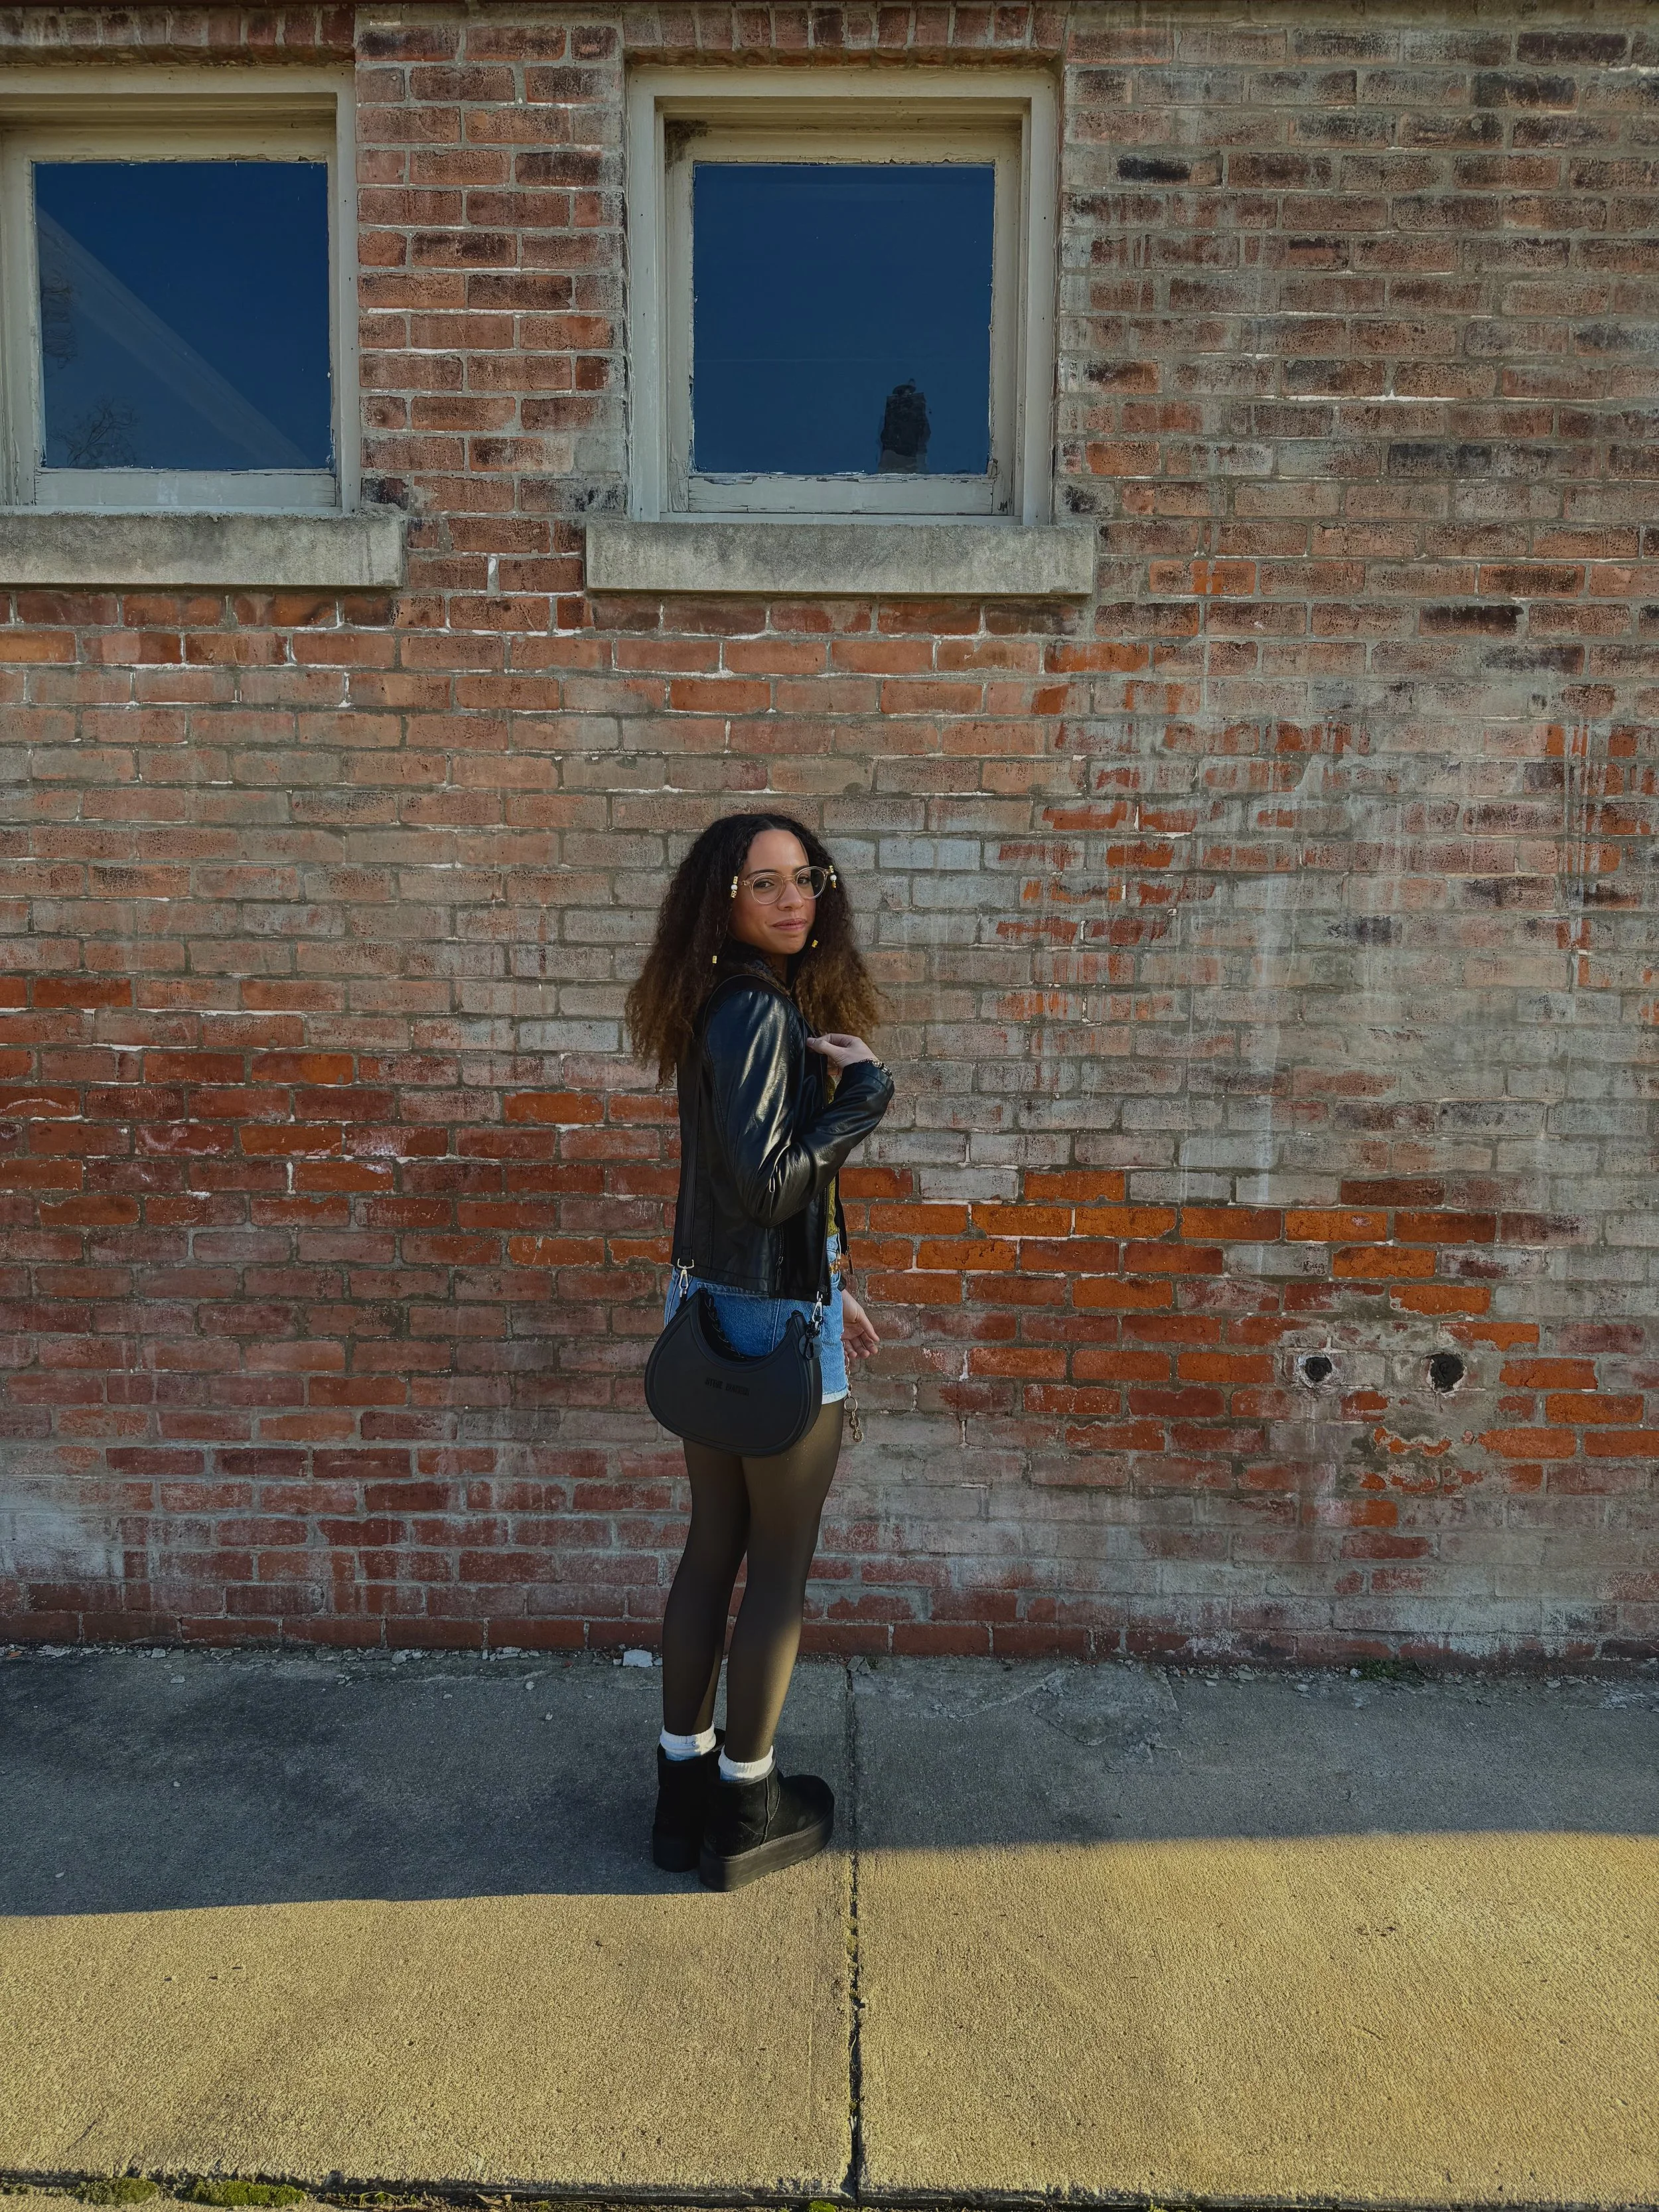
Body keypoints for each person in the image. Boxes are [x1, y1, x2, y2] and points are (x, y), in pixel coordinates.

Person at [624, 812, 894, 1889]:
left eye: (804, 878)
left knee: (714, 1544)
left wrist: (835, 1276)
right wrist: (865, 1096)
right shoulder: (757, 1011)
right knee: (776, 1562)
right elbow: (771, 1183)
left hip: (717, 1304)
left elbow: (752, 1191)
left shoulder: (722, 1001)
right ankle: (746, 1805)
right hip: (773, 1322)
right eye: (763, 883)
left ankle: (680, 1794)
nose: (793, 901)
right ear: (722, 899)